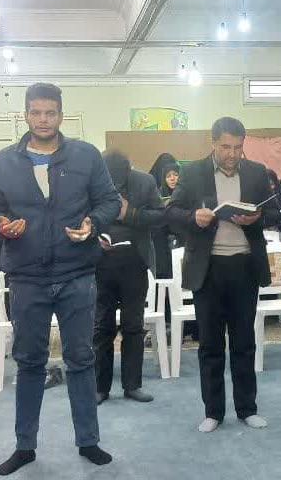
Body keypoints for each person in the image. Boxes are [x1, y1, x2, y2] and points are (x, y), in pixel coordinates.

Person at [0, 83, 121, 476]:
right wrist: (0, 223)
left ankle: (88, 441)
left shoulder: (86, 156)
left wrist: (92, 223)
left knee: (81, 360)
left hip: (77, 274)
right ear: (25, 115)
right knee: (29, 363)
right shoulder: (2, 163)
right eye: (36, 112)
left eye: (50, 113)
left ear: (61, 115)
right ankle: (25, 446)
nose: (43, 120)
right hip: (26, 278)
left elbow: (109, 201)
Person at [166, 117, 279, 433]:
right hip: (209, 268)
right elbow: (171, 212)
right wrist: (195, 217)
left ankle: (247, 408)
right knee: (210, 344)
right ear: (213, 143)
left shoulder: (255, 171)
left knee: (244, 342)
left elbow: (275, 210)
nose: (232, 154)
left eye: (238, 147)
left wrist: (257, 217)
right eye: (226, 147)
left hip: (245, 265)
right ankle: (213, 411)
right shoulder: (193, 172)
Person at [94, 151, 165, 405]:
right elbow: (78, 218)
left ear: (129, 171)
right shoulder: (91, 182)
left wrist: (130, 214)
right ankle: (99, 388)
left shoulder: (145, 182)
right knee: (101, 326)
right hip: (100, 264)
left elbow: (160, 216)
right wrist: (95, 237)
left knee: (133, 326)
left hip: (135, 263)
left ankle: (132, 385)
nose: (114, 186)